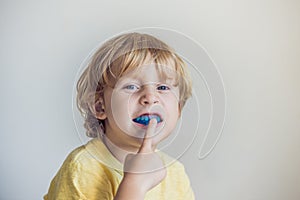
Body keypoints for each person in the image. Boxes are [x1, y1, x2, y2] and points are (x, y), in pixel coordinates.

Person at [44, 32, 195, 200]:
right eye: (131, 86)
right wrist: (135, 183)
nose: (151, 97)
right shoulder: (83, 167)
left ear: (179, 108)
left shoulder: (176, 173)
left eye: (163, 88)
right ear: (99, 106)